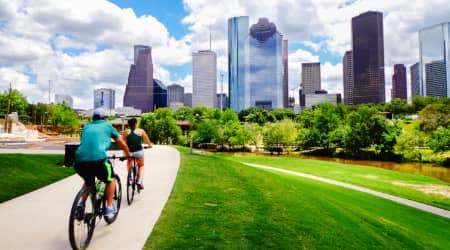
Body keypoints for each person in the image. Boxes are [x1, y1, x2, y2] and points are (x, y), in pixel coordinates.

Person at [74, 108, 131, 219]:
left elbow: (87, 144)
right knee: (111, 179)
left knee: (88, 180)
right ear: (105, 118)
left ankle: (80, 204)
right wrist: (128, 155)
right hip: (98, 160)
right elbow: (122, 144)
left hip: (79, 161)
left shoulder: (86, 127)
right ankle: (109, 208)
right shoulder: (108, 126)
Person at [122, 117, 152, 190]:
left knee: (129, 161)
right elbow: (147, 141)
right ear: (136, 124)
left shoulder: (125, 132)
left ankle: (130, 177)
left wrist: (125, 153)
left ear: (128, 125)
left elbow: (123, 143)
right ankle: (139, 181)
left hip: (129, 152)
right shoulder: (141, 131)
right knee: (141, 166)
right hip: (138, 152)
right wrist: (150, 145)